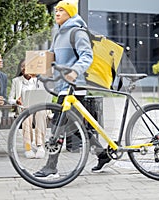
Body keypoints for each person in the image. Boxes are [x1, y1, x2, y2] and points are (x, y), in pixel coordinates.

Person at [33, 0, 111, 177]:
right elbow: (51, 57)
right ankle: (103, 154)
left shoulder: (77, 32)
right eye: (56, 10)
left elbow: (86, 56)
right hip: (63, 87)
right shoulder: (58, 34)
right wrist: (37, 70)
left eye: (61, 10)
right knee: (75, 127)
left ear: (70, 13)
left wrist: (75, 72)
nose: (57, 13)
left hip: (75, 87)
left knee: (58, 125)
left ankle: (51, 166)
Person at [8, 59, 47, 159]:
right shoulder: (16, 81)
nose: (24, 68)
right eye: (22, 66)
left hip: (38, 106)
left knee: (41, 113)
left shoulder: (39, 80)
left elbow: (44, 95)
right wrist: (16, 101)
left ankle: (40, 146)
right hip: (24, 107)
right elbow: (10, 99)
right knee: (26, 115)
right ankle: (28, 147)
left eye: (27, 66)